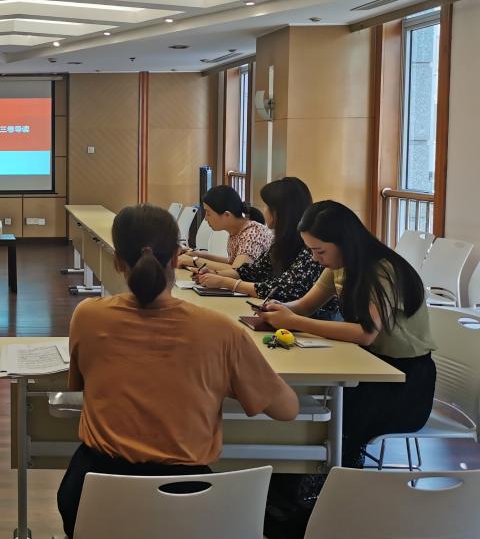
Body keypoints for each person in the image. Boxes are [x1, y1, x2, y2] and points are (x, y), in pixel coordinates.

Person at [57, 204, 298, 539]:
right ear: (175, 258)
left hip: (93, 506)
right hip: (187, 512)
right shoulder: (219, 330)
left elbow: (81, 384)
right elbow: (287, 410)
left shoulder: (87, 316)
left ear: (117, 261)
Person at [257, 200, 436, 468]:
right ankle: (302, 474)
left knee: (334, 417)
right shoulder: (339, 266)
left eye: (320, 251)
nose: (315, 259)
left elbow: (366, 333)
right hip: (369, 366)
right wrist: (279, 308)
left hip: (402, 381)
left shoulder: (383, 270)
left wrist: (293, 321)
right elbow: (304, 306)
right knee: (314, 403)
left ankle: (324, 478)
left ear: (344, 242)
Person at [193, 177, 342, 319]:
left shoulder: (310, 247)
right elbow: (254, 271)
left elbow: (283, 290)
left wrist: (226, 282)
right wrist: (217, 274)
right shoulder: (283, 242)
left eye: (266, 206)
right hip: (290, 316)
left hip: (316, 321)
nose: (263, 211)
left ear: (279, 212)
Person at [178, 184, 272, 272]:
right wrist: (197, 255)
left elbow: (237, 270)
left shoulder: (252, 233)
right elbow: (232, 262)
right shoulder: (237, 231)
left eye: (208, 213)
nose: (205, 218)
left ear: (227, 215)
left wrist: (193, 261)